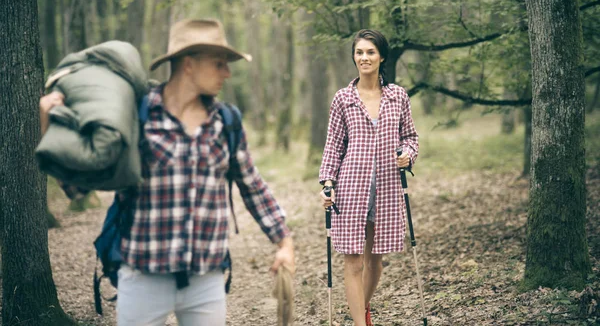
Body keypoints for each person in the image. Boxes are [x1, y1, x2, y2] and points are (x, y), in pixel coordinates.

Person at [39, 19, 295, 326]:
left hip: (207, 278)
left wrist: (284, 241)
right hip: (143, 276)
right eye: (219, 64)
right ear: (188, 64)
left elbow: (252, 185)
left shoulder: (226, 121)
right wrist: (47, 126)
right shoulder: (138, 114)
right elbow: (79, 188)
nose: (227, 73)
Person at [318, 29, 419, 326]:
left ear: (382, 56)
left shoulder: (398, 96)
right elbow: (333, 146)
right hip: (351, 188)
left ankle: (360, 310)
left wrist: (407, 154)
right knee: (353, 260)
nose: (364, 57)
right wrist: (327, 183)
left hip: (387, 188)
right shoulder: (343, 99)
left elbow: (410, 137)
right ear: (354, 57)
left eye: (370, 52)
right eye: (359, 52)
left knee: (376, 260)